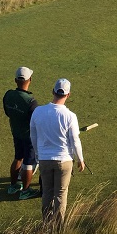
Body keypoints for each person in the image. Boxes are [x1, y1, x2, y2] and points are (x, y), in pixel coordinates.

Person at [29, 78, 85, 225]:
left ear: (53, 92)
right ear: (68, 95)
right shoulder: (70, 116)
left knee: (47, 193)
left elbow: (33, 136)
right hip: (64, 161)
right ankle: (58, 228)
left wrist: (37, 154)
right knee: (60, 195)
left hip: (45, 160)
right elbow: (75, 140)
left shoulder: (38, 112)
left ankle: (47, 225)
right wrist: (80, 159)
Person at [3, 66, 40, 200]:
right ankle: (25, 190)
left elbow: (8, 112)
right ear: (30, 79)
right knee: (28, 163)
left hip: (16, 133)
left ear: (15, 80)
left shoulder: (8, 95)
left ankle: (13, 186)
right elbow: (35, 122)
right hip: (28, 136)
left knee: (18, 158)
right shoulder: (31, 101)